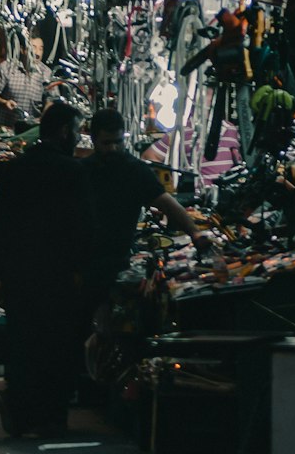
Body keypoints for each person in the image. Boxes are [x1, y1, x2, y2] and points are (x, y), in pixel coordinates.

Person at [0, 100, 91, 438]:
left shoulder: (17, 168)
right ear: (64, 131)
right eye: (76, 131)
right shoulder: (73, 171)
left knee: (23, 344)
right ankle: (51, 418)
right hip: (57, 275)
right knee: (57, 347)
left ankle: (21, 411)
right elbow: (80, 227)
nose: (78, 138)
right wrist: (79, 270)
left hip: (20, 272)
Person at [82, 106, 217, 308]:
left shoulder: (134, 170)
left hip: (119, 261)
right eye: (106, 143)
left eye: (117, 142)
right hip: (84, 262)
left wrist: (195, 233)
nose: (113, 149)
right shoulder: (82, 171)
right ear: (94, 140)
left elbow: (165, 202)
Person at [0, 35, 53, 133]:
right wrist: (4, 103)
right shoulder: (7, 68)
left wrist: (44, 116)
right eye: (33, 47)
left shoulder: (46, 72)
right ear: (22, 49)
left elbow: (51, 99)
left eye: (41, 49)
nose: (37, 53)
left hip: (31, 130)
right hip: (5, 128)